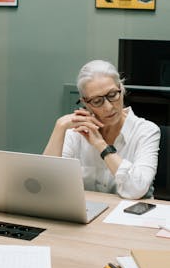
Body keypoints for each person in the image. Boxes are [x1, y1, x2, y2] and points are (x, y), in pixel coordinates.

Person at [43, 59, 160, 199]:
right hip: (86, 214)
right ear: (85, 103)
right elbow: (46, 186)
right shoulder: (76, 132)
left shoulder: (146, 131)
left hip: (131, 216)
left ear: (121, 89)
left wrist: (101, 145)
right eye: (97, 101)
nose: (108, 107)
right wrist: (59, 127)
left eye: (112, 95)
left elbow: (136, 190)